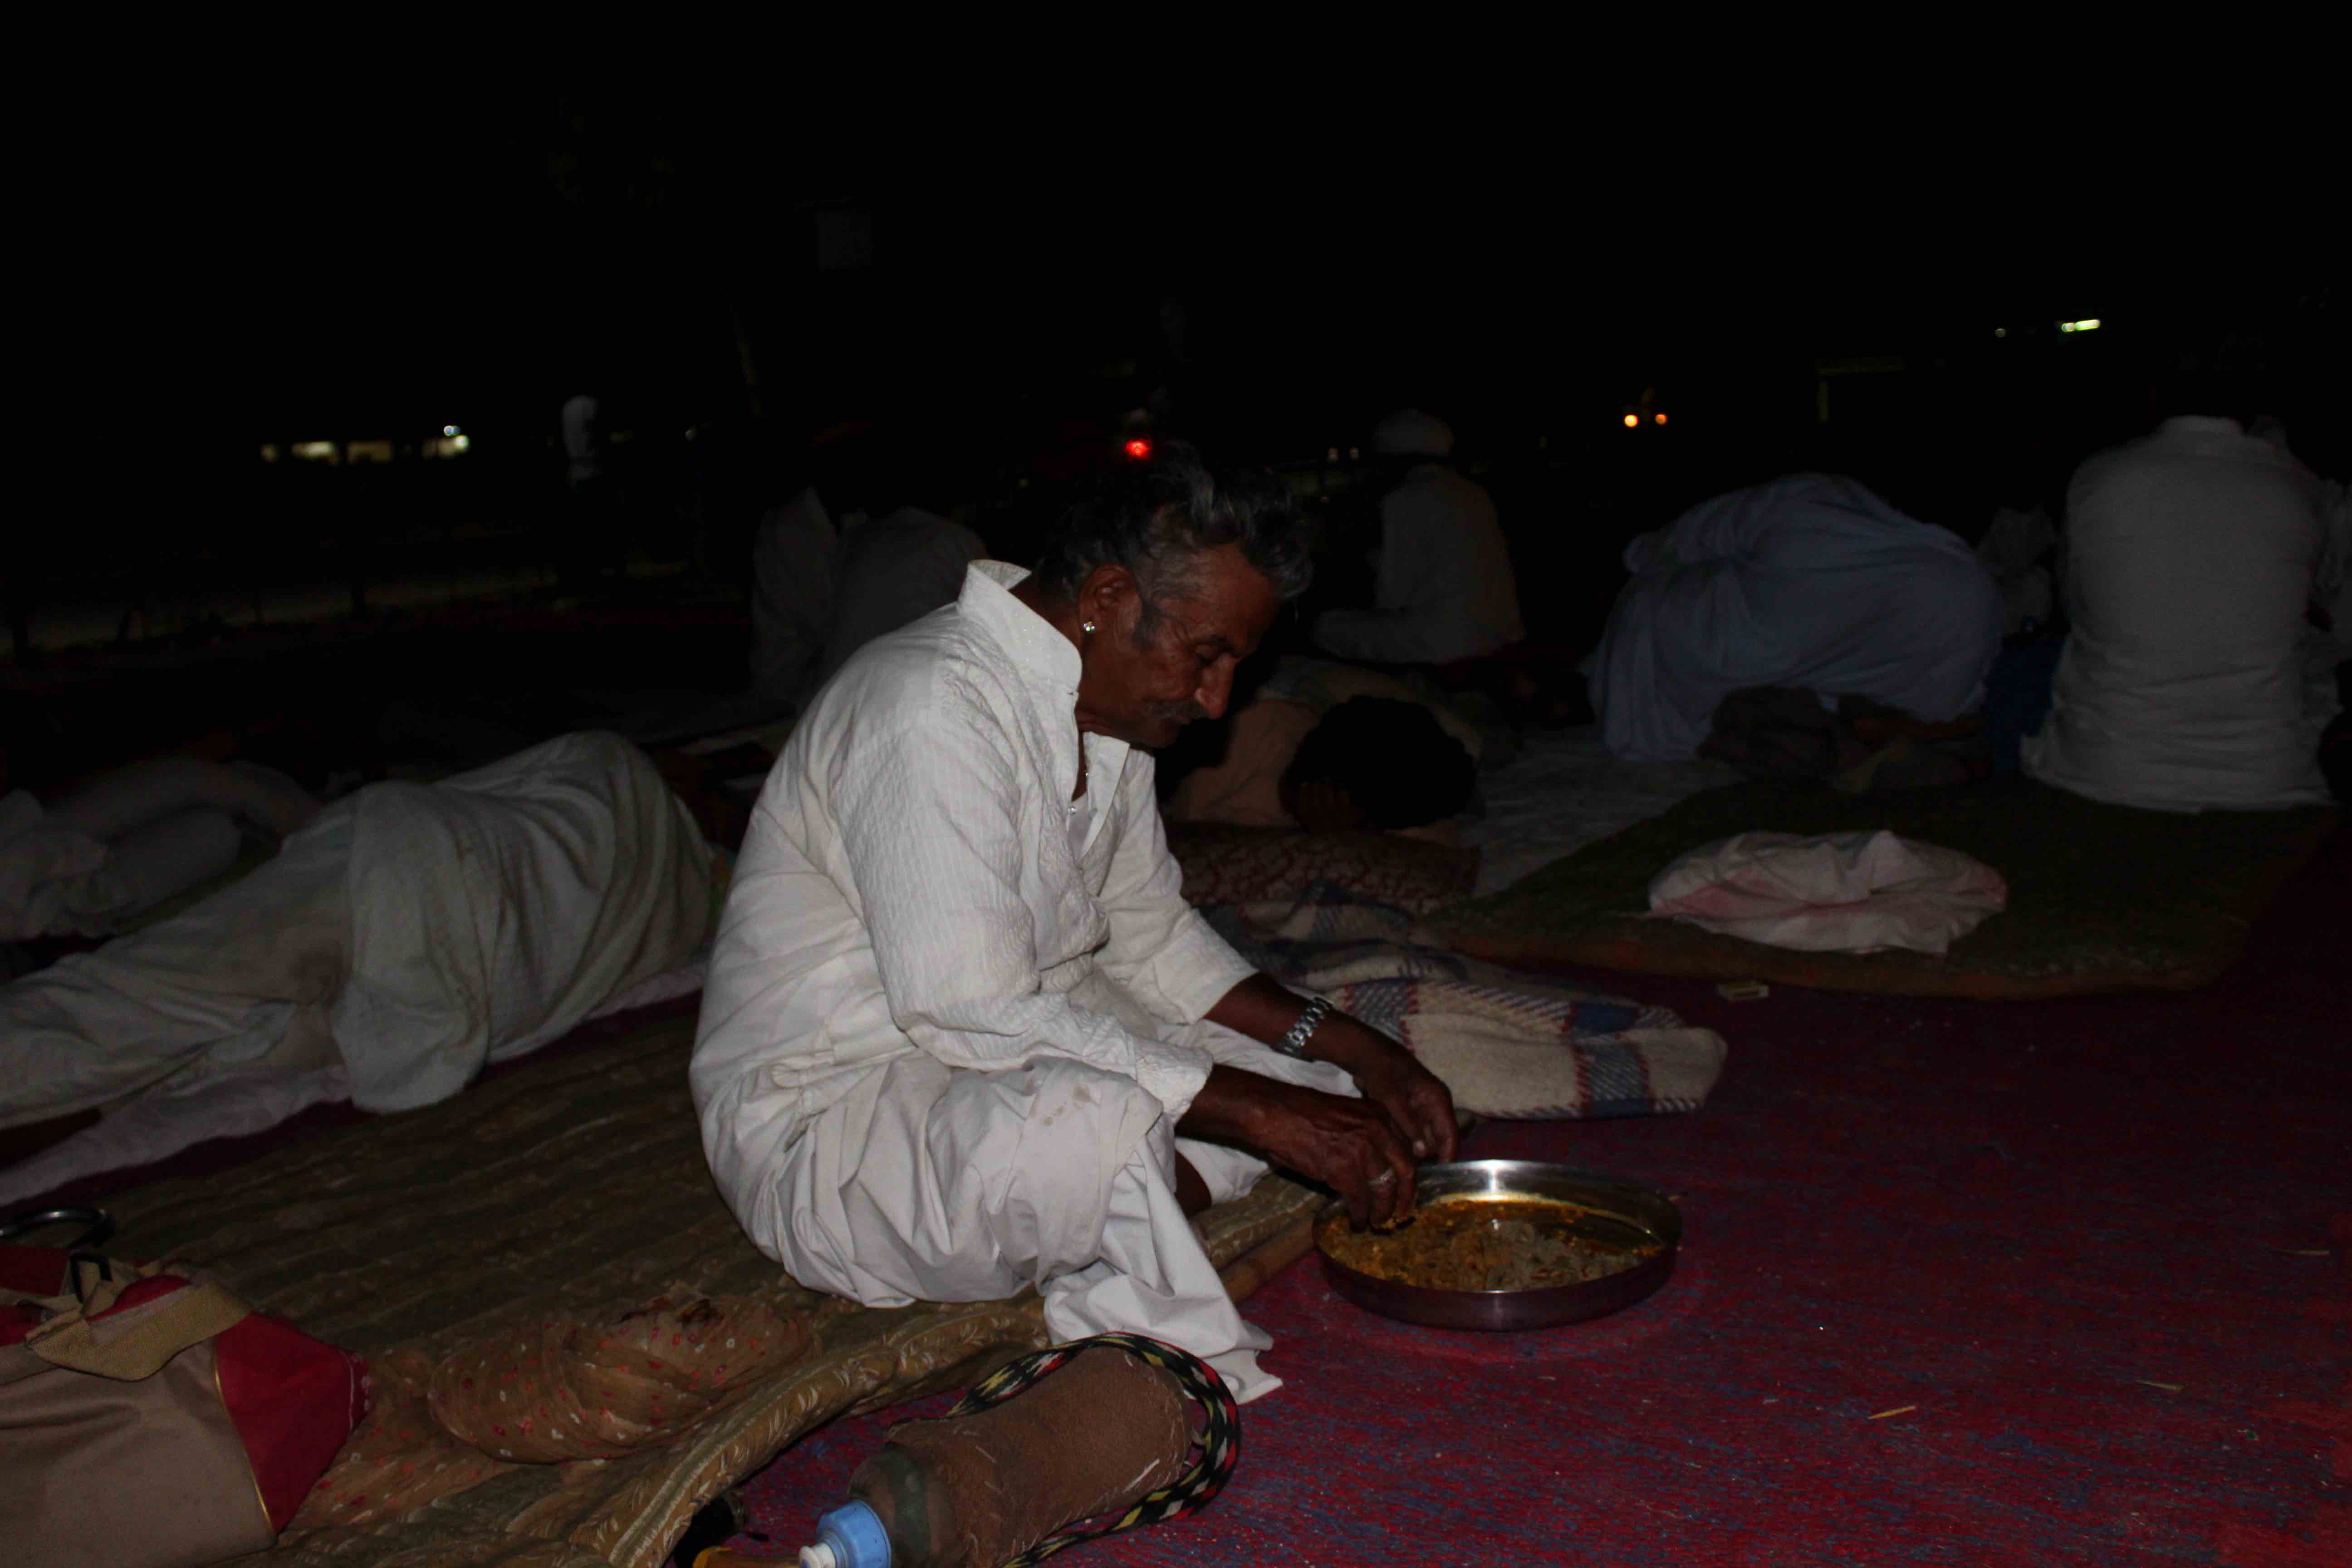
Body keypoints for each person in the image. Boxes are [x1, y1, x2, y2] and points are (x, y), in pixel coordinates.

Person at [691, 450, 1458, 1403]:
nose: (1218, 699)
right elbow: (969, 1007)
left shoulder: (1112, 712)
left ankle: (1126, 1193)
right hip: (839, 1123)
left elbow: (1150, 937)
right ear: (1106, 597)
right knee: (1096, 1124)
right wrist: (1255, 1113)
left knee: (1312, 1080)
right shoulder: (926, 705)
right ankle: (1125, 1199)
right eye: (1207, 654)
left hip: (1001, 1047)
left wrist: (1352, 1044)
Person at [2024, 394, 2332, 811]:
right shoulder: (2298, 485)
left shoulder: (2100, 476)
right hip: (2266, 767)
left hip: (2107, 762)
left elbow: (2072, 606)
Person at [1588, 474, 2004, 762]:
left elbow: (1676, 542)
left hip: (1661, 661)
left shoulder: (1810, 505)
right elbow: (1951, 710)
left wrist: (1637, 558)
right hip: (1684, 683)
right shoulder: (1972, 596)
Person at [1312, 410, 1524, 667]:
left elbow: (1391, 597)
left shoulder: (1404, 499)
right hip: (1501, 633)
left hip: (1446, 643)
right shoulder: (1475, 493)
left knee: (1324, 626)